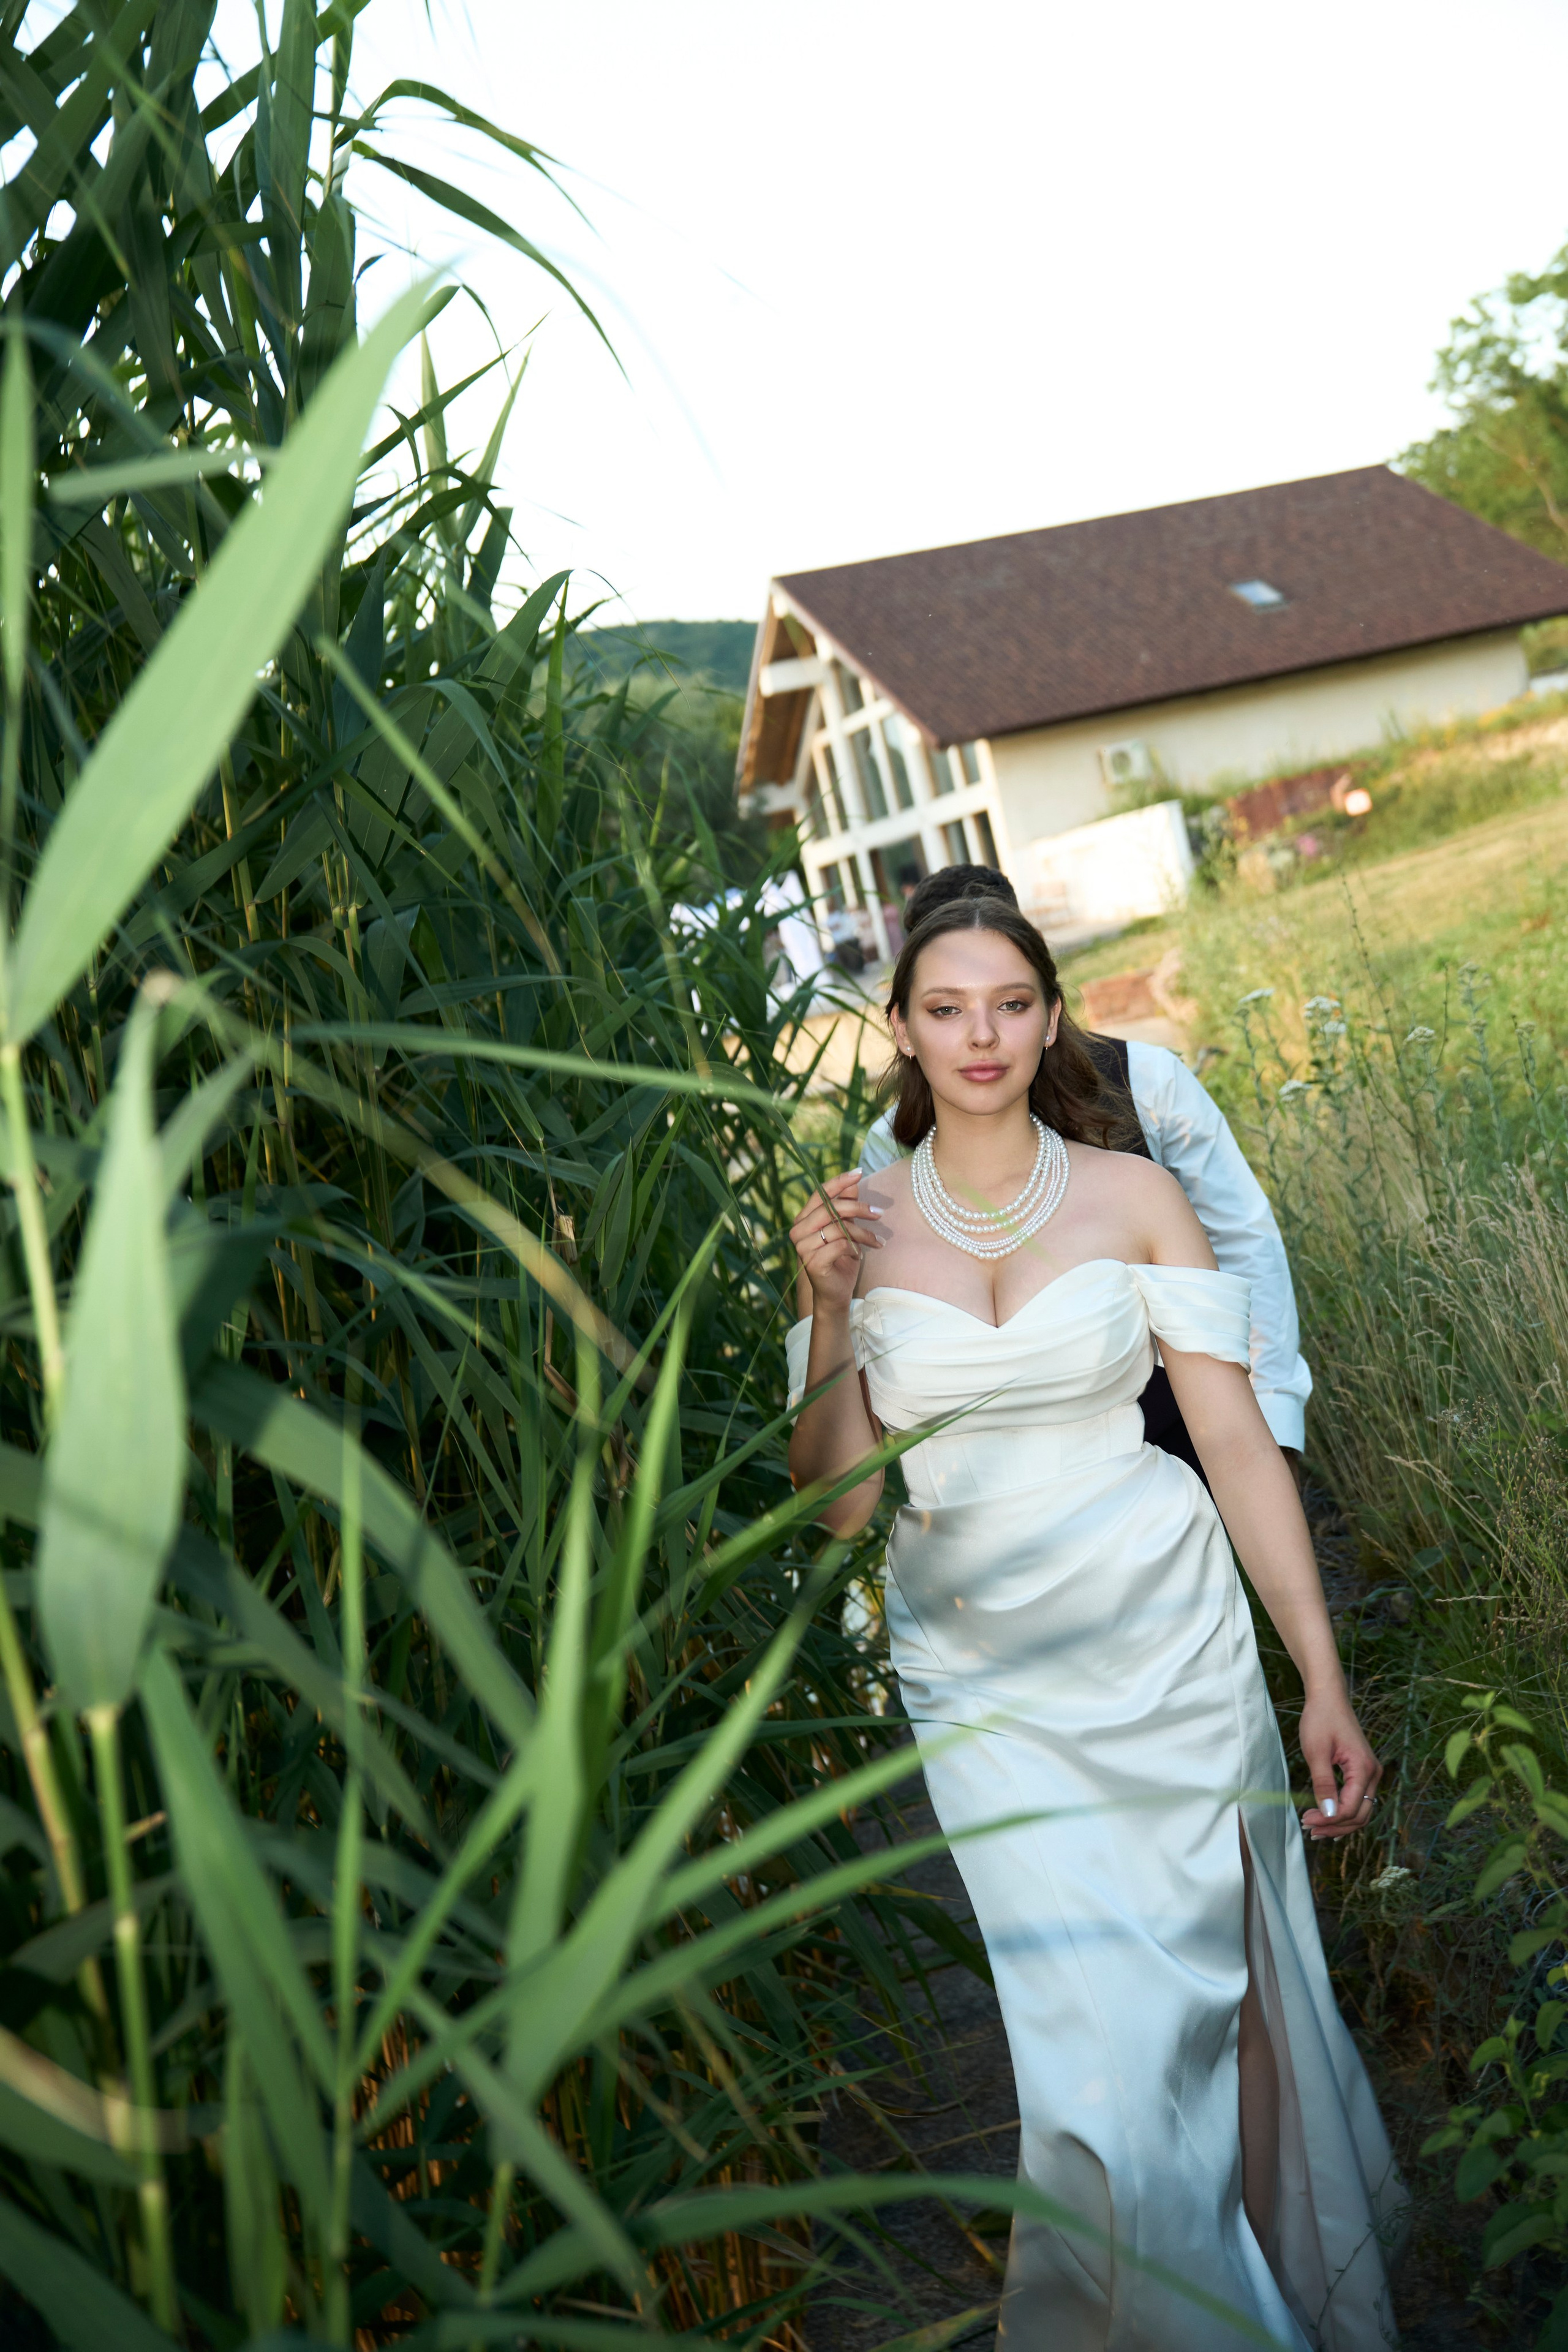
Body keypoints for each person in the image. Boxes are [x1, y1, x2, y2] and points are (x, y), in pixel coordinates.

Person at [785, 895, 1404, 2350]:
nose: (980, 1034)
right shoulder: (852, 1223)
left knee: (1210, 1993)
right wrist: (822, 1311)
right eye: (946, 1007)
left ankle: (1249, 2288)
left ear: (1049, 1016)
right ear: (900, 1029)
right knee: (1094, 2060)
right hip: (979, 1675)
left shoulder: (1130, 1194)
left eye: (1008, 1002)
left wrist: (1315, 1669)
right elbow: (834, 1510)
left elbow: (1233, 1445)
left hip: (1166, 1639)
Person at [858, 865, 1310, 1485]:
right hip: (991, 1462)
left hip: (1183, 1405)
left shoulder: (1147, 1077)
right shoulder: (890, 1144)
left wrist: (1274, 1411)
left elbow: (1243, 1238)